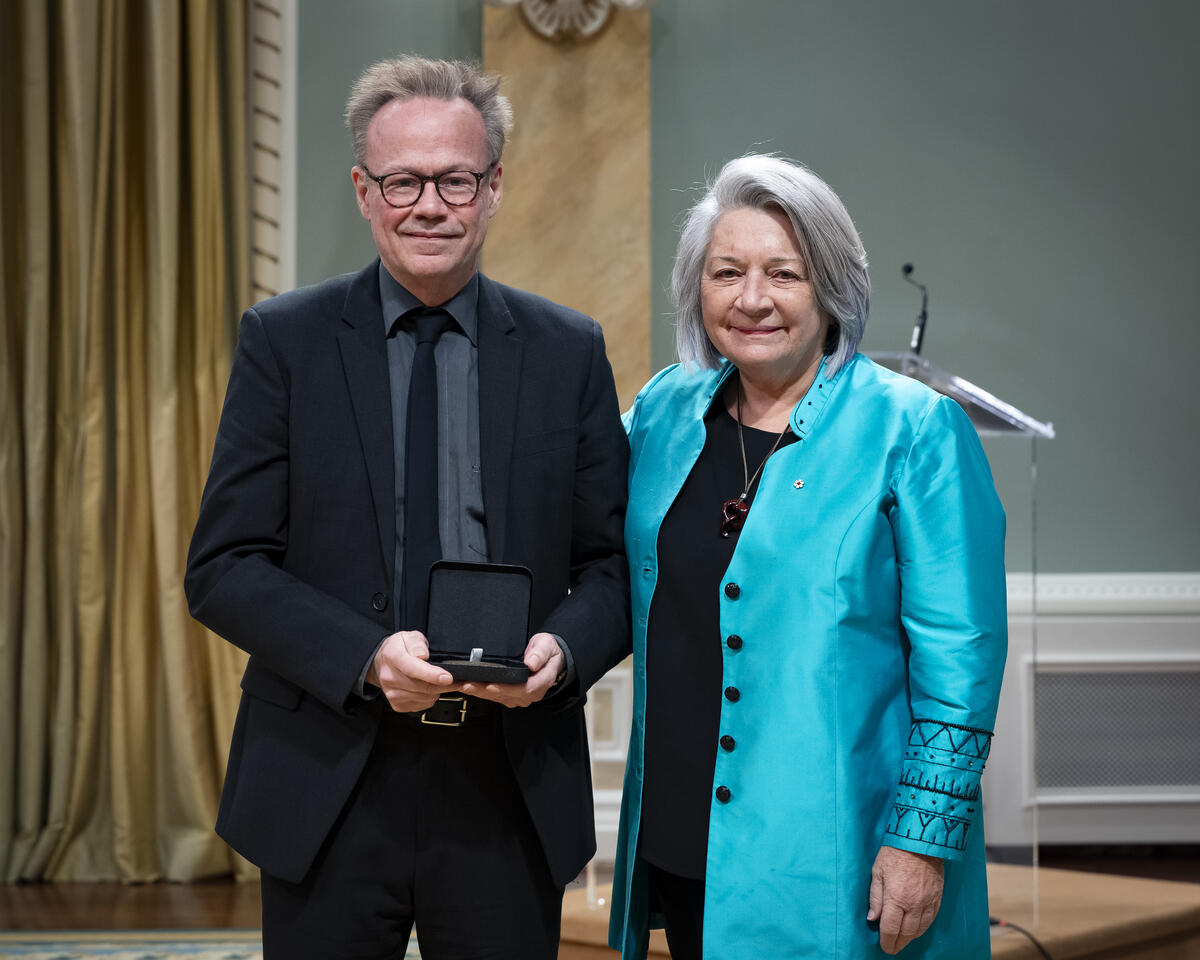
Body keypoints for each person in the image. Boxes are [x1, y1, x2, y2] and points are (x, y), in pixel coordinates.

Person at [185, 56, 630, 960]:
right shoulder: (284, 341)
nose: (429, 205)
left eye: (455, 180)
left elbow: (614, 564)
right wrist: (363, 657)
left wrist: (565, 650)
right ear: (364, 190)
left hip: (508, 782)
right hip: (326, 777)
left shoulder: (568, 351)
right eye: (403, 182)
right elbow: (223, 566)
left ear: (493, 188)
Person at [608, 155, 1007, 959]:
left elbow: (960, 655)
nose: (752, 298)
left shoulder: (914, 429)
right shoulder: (661, 410)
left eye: (783, 273)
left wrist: (922, 839)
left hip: (839, 852)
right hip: (681, 830)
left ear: (831, 288)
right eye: (726, 272)